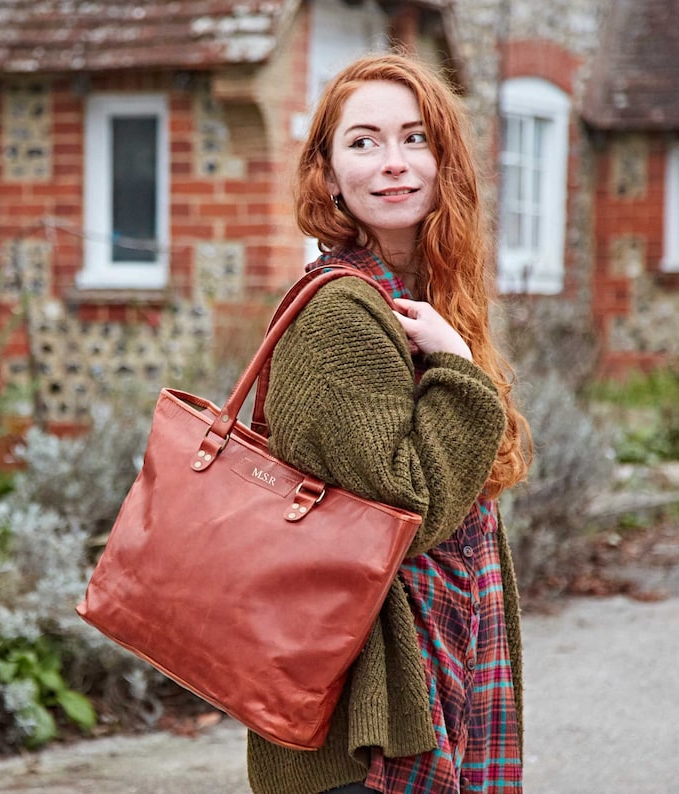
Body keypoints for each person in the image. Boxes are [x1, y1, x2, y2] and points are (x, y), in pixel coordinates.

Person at [246, 52, 532, 794]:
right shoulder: (341, 315)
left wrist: (455, 352)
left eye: (414, 138)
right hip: (359, 731)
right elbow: (405, 511)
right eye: (364, 142)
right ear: (330, 175)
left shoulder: (422, 302)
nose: (394, 163)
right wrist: (462, 372)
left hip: (423, 689)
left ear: (445, 160)